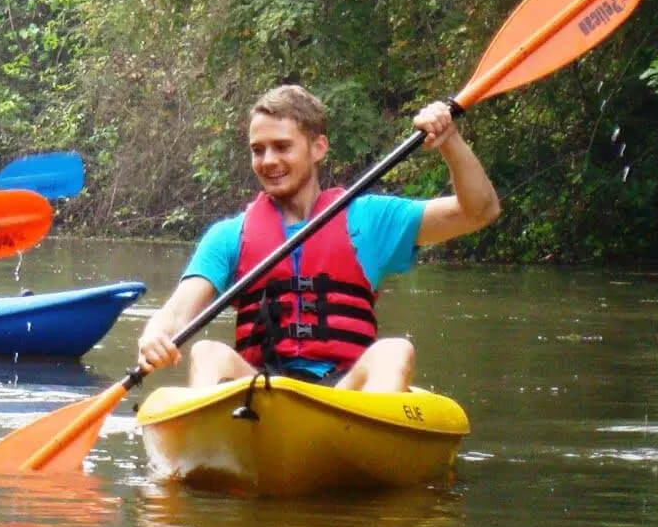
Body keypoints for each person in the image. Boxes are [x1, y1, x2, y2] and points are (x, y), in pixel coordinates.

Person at [136, 84, 501, 392]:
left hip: (344, 393)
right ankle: (213, 453)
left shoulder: (368, 218)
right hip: (261, 391)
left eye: (282, 146)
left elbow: (479, 211)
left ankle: (367, 447)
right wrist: (155, 335)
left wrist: (450, 140)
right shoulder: (230, 235)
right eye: (257, 150)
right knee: (206, 353)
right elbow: (177, 313)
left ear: (318, 148)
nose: (267, 160)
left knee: (394, 351)